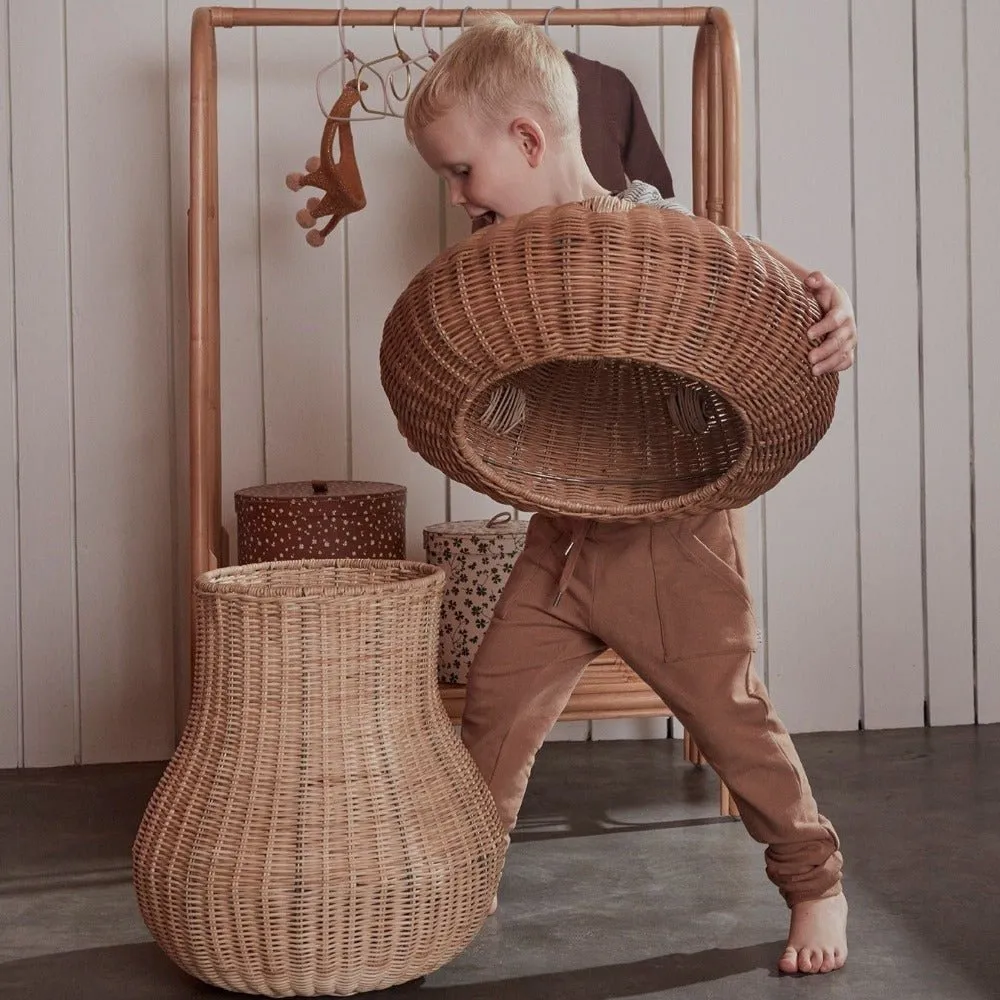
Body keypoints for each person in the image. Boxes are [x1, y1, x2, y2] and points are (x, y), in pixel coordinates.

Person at [400, 14, 856, 976]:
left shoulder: (664, 240)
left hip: (672, 538)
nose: (455, 198)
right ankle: (456, 885)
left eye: (461, 173)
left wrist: (831, 312)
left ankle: (814, 881)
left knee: (731, 718)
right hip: (562, 540)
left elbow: (760, 303)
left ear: (527, 141)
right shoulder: (500, 272)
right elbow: (513, 401)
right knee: (494, 709)